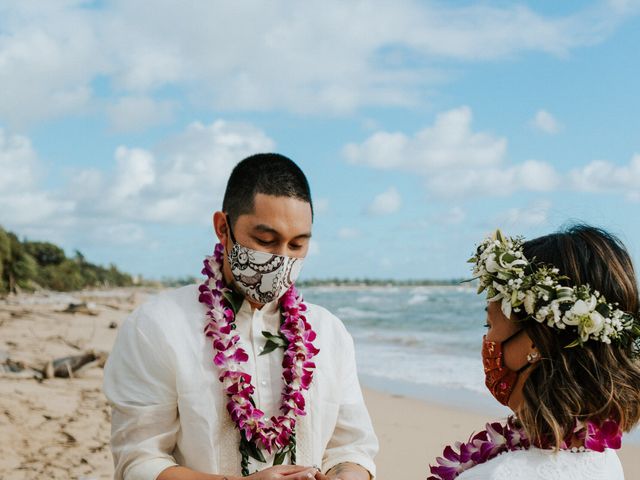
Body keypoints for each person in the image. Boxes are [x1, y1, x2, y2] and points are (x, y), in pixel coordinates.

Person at [104, 153, 378, 480]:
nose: (282, 259)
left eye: (297, 245)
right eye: (266, 240)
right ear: (223, 227)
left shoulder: (329, 334)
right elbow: (139, 462)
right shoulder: (157, 326)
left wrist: (347, 475)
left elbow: (352, 448)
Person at [429, 225, 640, 479]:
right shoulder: (604, 459)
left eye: (491, 324)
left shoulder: (496, 475)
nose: (486, 340)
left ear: (534, 342)